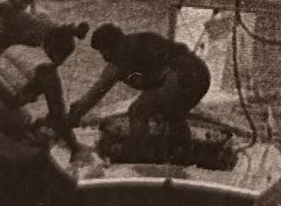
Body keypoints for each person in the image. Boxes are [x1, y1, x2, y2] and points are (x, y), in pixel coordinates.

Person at [64, 23, 212, 147]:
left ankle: (140, 152)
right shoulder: (140, 40)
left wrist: (73, 116)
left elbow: (95, 93)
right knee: (172, 113)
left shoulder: (120, 58)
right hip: (201, 74)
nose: (103, 57)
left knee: (137, 111)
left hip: (180, 74)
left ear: (108, 48)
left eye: (102, 51)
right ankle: (183, 151)